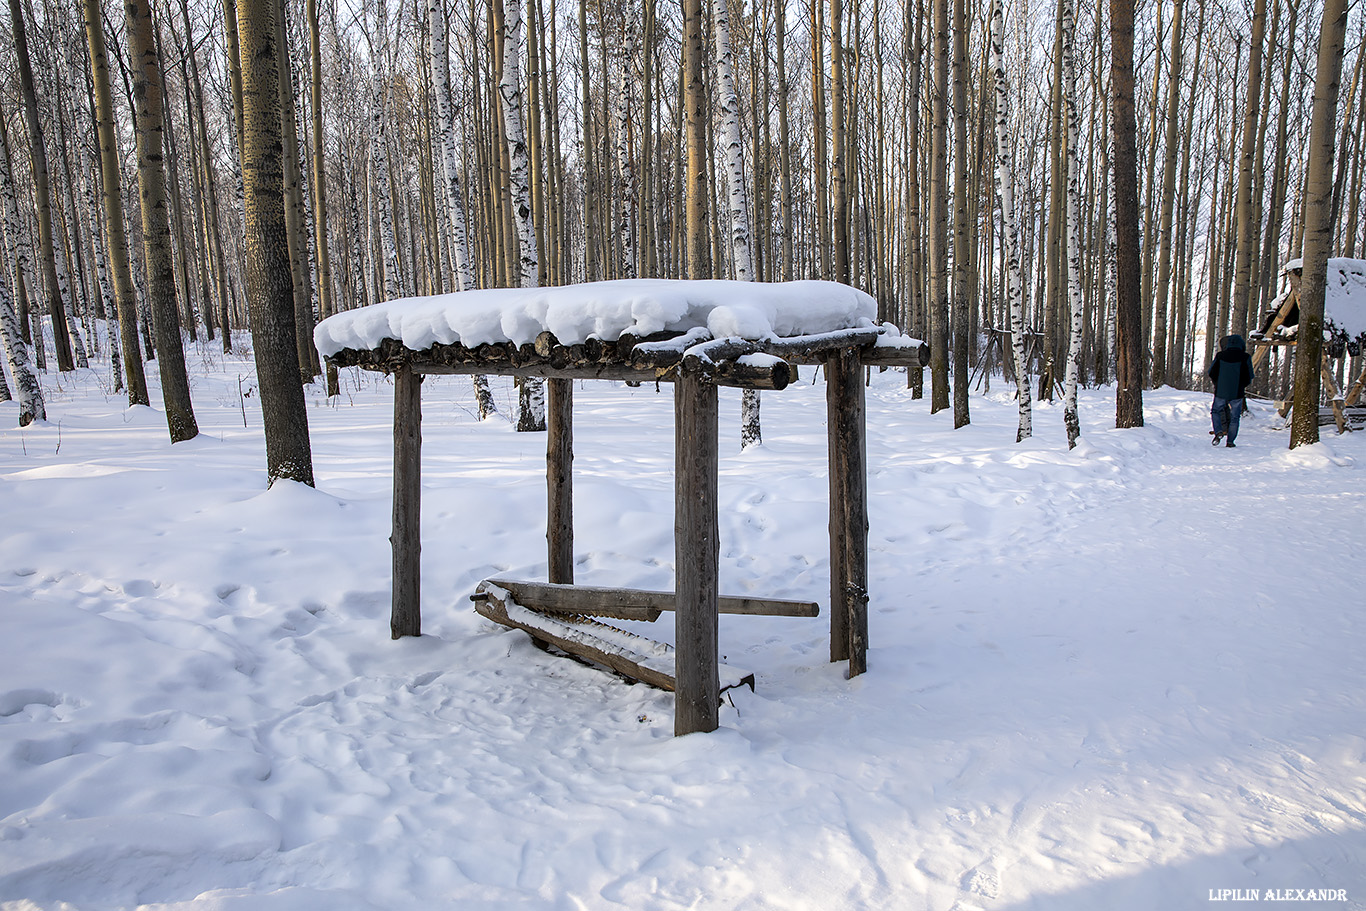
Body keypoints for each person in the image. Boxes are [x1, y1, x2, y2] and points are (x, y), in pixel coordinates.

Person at [1207, 334, 1254, 447]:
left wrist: (1217, 383)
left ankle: (1218, 431)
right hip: (1237, 392)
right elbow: (1250, 375)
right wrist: (1242, 385)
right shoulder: (1245, 357)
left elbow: (1211, 372)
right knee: (1235, 417)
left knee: (1216, 411)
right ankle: (1230, 441)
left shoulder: (1220, 356)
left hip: (1221, 391)